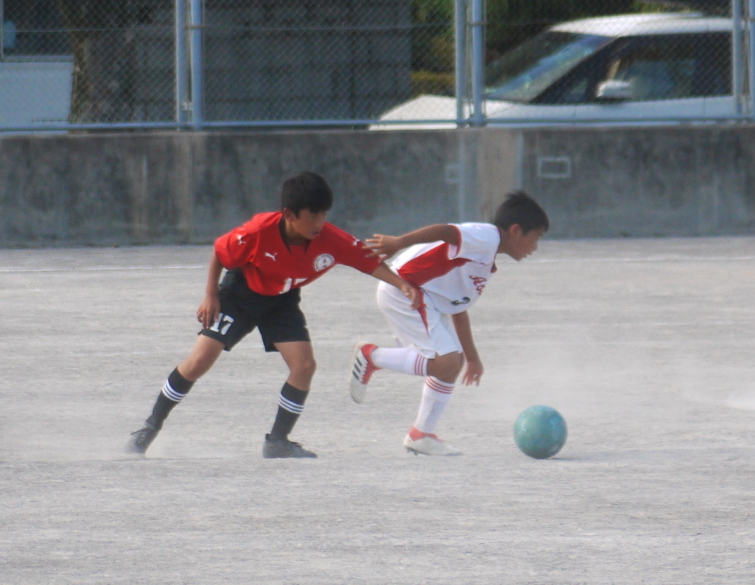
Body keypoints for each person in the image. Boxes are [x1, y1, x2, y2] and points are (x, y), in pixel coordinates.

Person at [126, 172, 417, 459]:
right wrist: (210, 294)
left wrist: (402, 284)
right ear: (289, 214)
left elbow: (367, 261)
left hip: (282, 301)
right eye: (312, 216)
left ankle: (277, 442)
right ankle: (149, 429)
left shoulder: (330, 239)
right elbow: (219, 251)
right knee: (199, 361)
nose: (320, 223)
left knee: (304, 366)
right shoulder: (257, 232)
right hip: (239, 295)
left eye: (324, 215)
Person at [349, 190, 549, 456]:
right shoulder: (486, 236)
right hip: (406, 291)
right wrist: (399, 242)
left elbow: (458, 308)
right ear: (515, 230)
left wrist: (473, 358)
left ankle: (421, 434)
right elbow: (447, 231)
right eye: (536, 237)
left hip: (423, 298)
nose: (535, 247)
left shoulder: (485, 258)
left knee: (450, 365)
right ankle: (372, 356)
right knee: (447, 362)